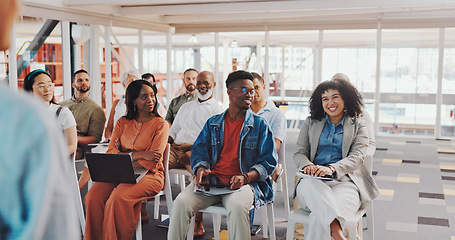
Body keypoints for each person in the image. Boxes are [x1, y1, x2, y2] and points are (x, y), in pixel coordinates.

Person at [0, 0, 80, 239]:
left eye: (49, 84)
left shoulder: (57, 113)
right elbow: (53, 229)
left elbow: (71, 144)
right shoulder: (23, 118)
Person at [168, 70, 277, 240]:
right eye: (243, 90)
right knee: (181, 203)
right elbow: (199, 152)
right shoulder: (213, 123)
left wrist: (246, 177)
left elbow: (269, 162)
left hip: (242, 185)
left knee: (237, 206)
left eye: (252, 91)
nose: (249, 94)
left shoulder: (260, 125)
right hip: (212, 183)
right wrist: (202, 168)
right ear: (229, 92)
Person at [293, 79, 379, 240]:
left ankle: (334, 227)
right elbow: (299, 152)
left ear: (345, 99)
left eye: (335, 97)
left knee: (319, 218)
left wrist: (332, 169)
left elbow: (357, 157)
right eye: (325, 99)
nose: (330, 102)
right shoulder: (311, 122)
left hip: (345, 183)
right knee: (314, 190)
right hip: (312, 184)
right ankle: (336, 229)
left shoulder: (358, 124)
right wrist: (308, 165)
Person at [84, 80, 169, 240]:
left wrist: (124, 157)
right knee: (92, 197)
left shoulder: (161, 125)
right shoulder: (122, 123)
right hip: (119, 172)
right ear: (133, 101)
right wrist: (138, 154)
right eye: (144, 97)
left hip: (151, 175)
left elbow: (151, 161)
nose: (150, 100)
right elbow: (111, 153)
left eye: (152, 96)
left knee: (117, 198)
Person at [168, 71, 224, 236]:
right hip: (176, 148)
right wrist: (163, 146)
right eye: (199, 82)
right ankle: (143, 210)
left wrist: (194, 151)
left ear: (213, 84)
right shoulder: (186, 106)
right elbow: (173, 131)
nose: (201, 86)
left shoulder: (217, 110)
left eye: (206, 82)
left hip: (197, 150)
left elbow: (215, 141)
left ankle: (198, 220)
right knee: (152, 164)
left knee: (200, 177)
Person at [23, 69, 77, 156]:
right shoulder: (23, 115)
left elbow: (72, 145)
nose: (47, 89)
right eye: (41, 86)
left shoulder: (62, 113)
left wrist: (50, 158)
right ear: (30, 90)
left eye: (49, 85)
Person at [60, 69, 106, 160]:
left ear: (90, 84)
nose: (84, 82)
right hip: (56, 144)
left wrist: (72, 138)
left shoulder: (96, 110)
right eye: (80, 80)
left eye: (87, 80)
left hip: (76, 152)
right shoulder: (61, 105)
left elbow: (95, 139)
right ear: (73, 84)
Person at [105, 69, 140, 140]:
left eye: (136, 81)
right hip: (116, 142)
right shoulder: (117, 103)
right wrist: (110, 140)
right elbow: (109, 128)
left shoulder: (141, 103)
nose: (134, 83)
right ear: (124, 84)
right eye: (131, 80)